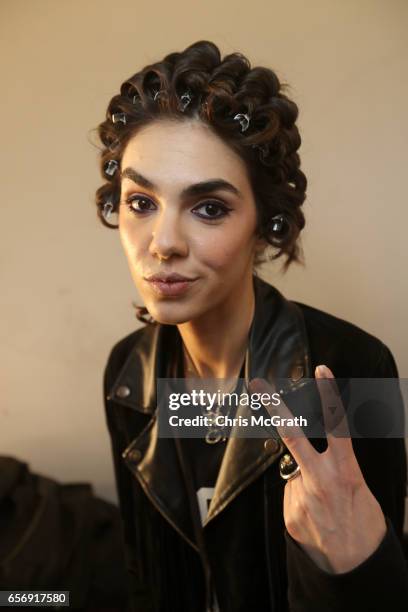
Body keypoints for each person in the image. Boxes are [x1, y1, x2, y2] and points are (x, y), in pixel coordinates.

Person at [94, 40, 408, 611]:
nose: (163, 244)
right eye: (141, 202)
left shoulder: (356, 368)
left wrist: (357, 562)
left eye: (209, 207)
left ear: (267, 226)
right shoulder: (127, 373)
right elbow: (146, 574)